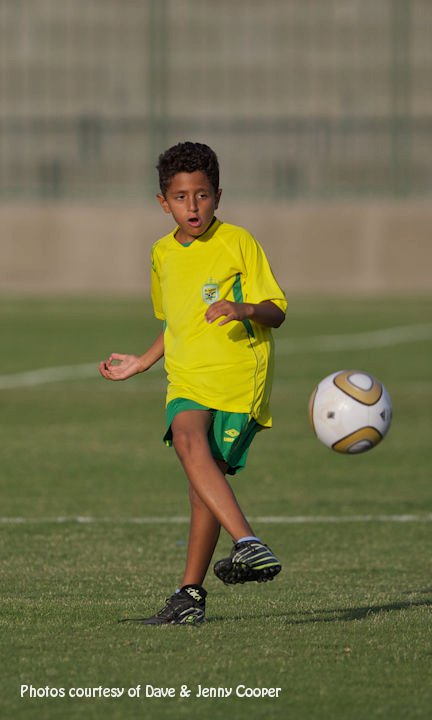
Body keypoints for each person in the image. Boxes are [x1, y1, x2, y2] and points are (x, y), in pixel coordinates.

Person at [99, 141, 287, 625]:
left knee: (203, 487)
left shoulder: (238, 242)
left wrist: (241, 308)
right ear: (163, 203)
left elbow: (276, 310)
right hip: (186, 377)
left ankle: (190, 596)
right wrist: (141, 362)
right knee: (187, 439)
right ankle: (246, 542)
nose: (193, 207)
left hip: (239, 378)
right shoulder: (161, 254)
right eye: (181, 197)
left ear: (218, 196)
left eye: (202, 195)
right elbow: (175, 322)